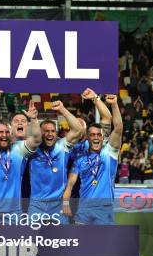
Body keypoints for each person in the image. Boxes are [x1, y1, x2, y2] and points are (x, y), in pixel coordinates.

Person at [63, 94, 123, 225]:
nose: (96, 137)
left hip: (101, 206)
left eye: (98, 135)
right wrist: (65, 201)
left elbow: (113, 124)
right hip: (81, 204)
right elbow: (70, 182)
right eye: (93, 135)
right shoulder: (71, 150)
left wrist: (97, 99)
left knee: (104, 243)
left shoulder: (107, 151)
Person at [0, 101, 42, 214]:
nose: (4, 135)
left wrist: (34, 119)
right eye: (1, 132)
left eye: (23, 121)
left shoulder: (20, 148)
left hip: (18, 209)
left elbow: (37, 139)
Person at [28, 101, 83, 222]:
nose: (49, 134)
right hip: (37, 204)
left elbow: (78, 129)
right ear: (40, 133)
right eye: (46, 131)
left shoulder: (62, 146)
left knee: (61, 240)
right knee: (31, 240)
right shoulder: (32, 149)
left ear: (56, 134)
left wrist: (62, 109)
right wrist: (33, 119)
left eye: (53, 131)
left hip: (58, 204)